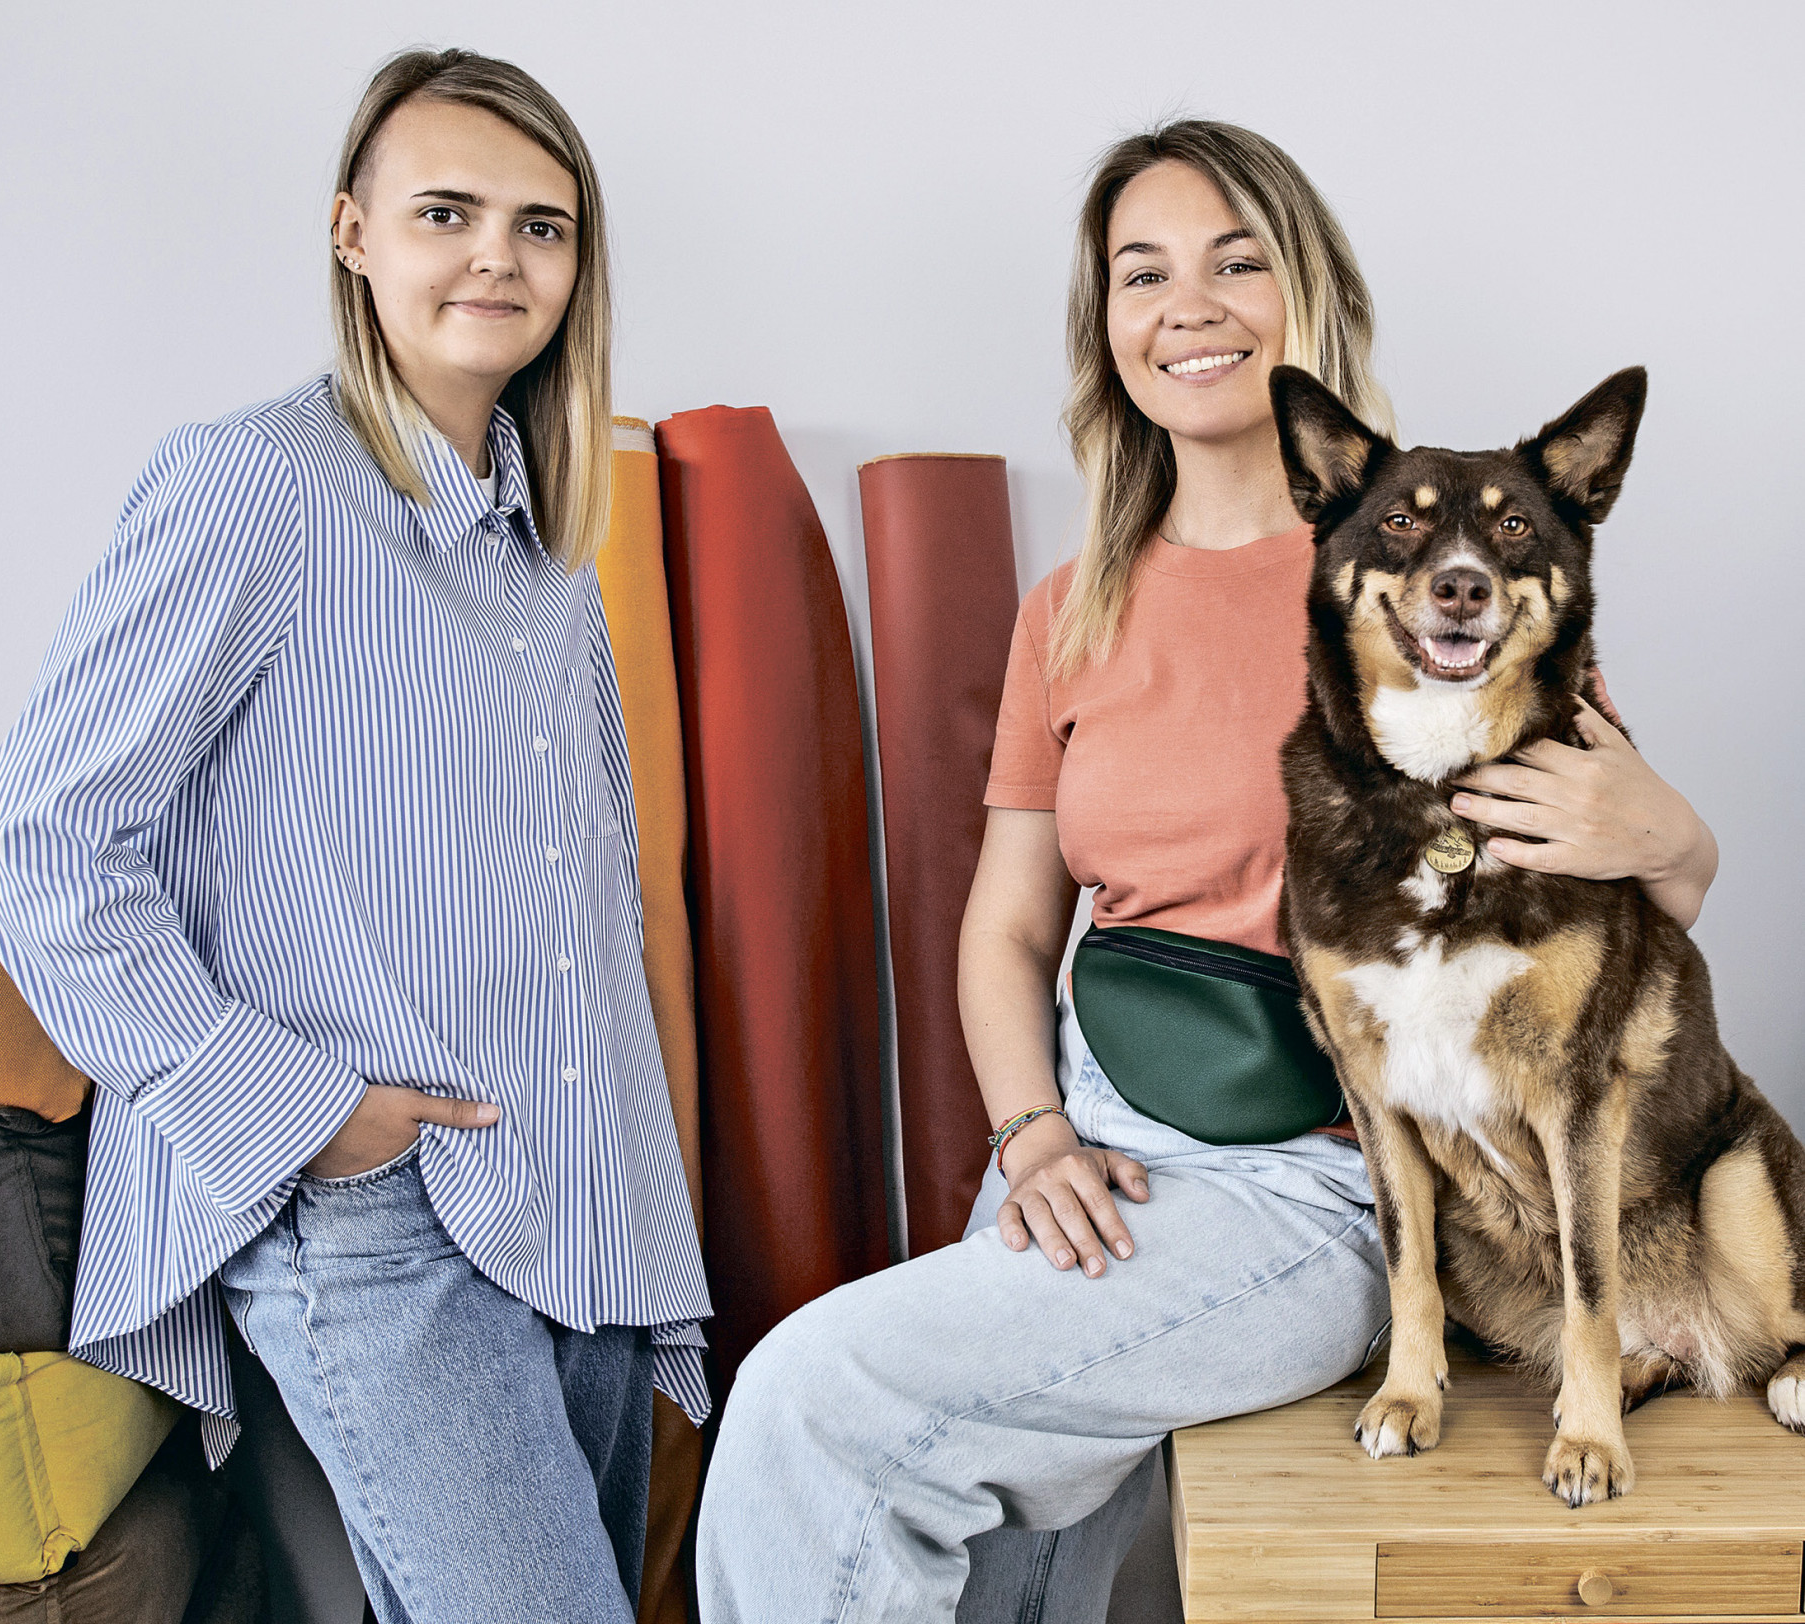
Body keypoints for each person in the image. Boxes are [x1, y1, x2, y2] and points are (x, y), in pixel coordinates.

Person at [696, 119, 1718, 1623]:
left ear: (1313, 297)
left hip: (1312, 1176)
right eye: (1143, 273)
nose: (1190, 307)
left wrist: (1685, 841)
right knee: (995, 1585)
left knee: (813, 1400)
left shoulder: (1440, 579)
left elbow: (1613, 914)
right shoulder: (1073, 606)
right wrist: (1032, 1138)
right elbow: (1007, 929)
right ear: (1106, 327)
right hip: (1087, 1141)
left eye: (1238, 263)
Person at [0, 48, 710, 1624]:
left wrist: (642, 1210)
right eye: (447, 212)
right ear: (352, 233)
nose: (498, 257)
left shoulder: (550, 544)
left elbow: (584, 908)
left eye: (542, 226)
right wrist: (301, 1112)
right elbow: (38, 846)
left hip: (573, 1199)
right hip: (376, 1212)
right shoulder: (253, 485)